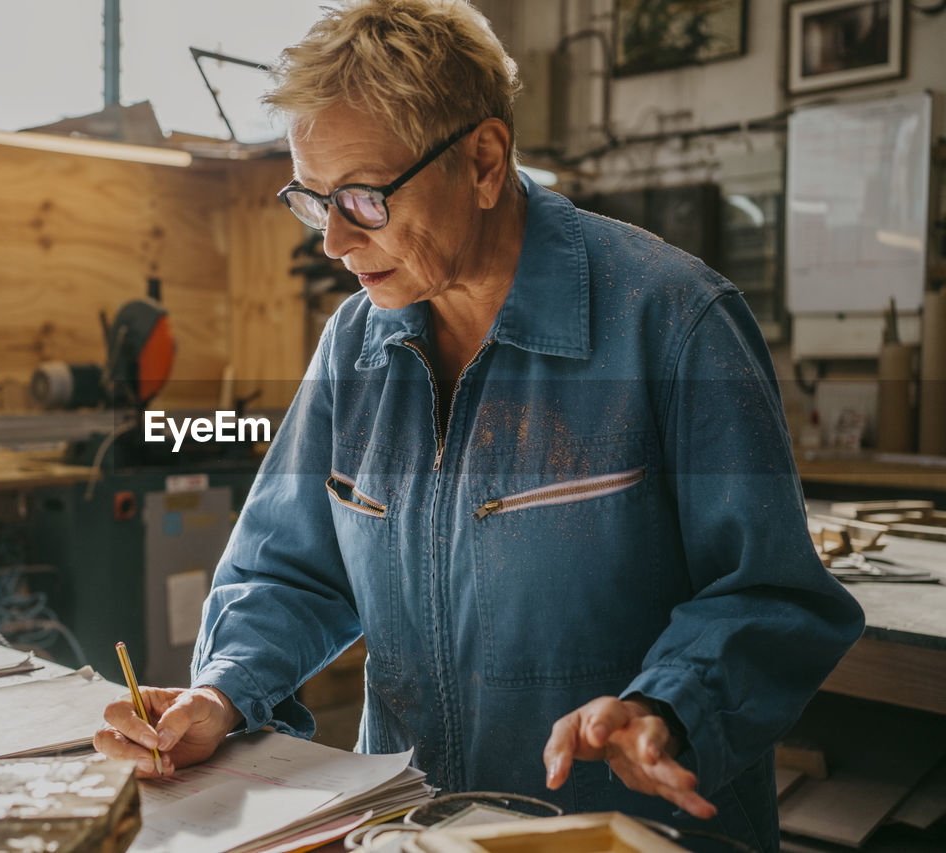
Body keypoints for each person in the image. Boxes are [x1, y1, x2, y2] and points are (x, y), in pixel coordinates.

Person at [95, 1, 864, 848]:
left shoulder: (672, 321)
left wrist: (668, 705)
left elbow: (771, 592)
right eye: (314, 202)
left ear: (485, 161)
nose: (335, 242)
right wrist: (222, 693)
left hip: (620, 830)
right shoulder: (355, 344)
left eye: (363, 197)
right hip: (409, 829)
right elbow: (288, 571)